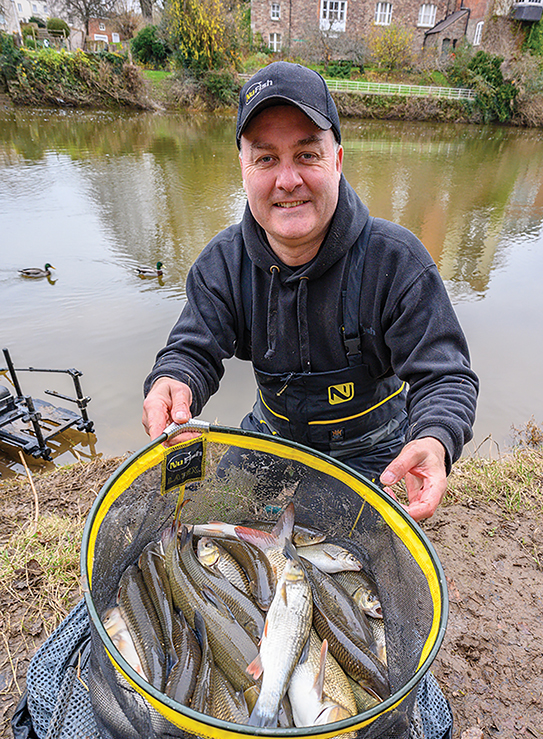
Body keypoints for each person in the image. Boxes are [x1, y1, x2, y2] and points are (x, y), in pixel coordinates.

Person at [142, 61, 478, 522]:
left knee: (344, 546)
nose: (287, 180)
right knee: (212, 524)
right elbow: (191, 350)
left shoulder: (397, 259)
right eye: (266, 158)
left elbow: (445, 377)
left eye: (306, 155)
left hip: (373, 445)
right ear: (243, 169)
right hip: (271, 430)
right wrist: (172, 383)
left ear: (336, 161)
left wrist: (435, 438)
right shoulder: (222, 262)